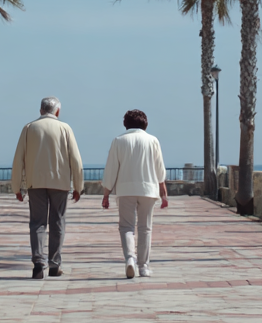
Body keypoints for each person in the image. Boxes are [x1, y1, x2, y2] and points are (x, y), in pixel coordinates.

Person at [11, 96, 83, 279]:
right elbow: (76, 160)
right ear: (57, 111)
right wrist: (78, 186)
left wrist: (17, 187)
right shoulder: (65, 128)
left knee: (37, 223)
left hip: (35, 183)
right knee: (58, 222)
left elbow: (18, 159)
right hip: (59, 183)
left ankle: (38, 263)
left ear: (40, 110)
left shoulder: (29, 128)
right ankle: (54, 264)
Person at [100, 109, 168, 278]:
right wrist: (164, 193)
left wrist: (106, 193)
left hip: (125, 190)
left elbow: (111, 169)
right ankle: (144, 266)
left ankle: (130, 259)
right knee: (145, 228)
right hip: (148, 189)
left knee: (126, 227)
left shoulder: (119, 141)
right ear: (145, 123)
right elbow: (160, 170)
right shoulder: (153, 140)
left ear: (126, 124)